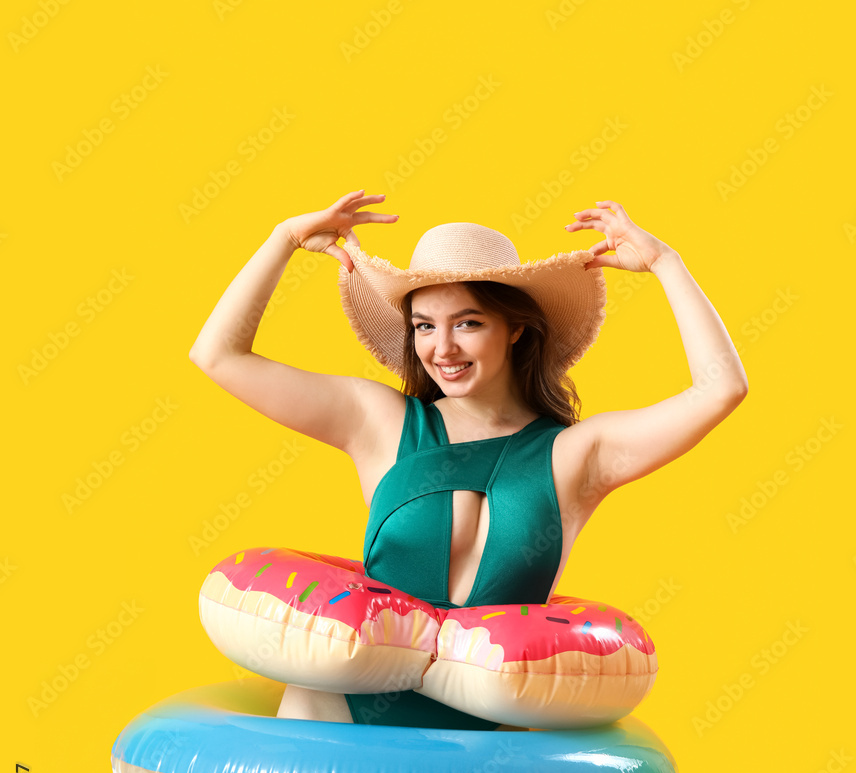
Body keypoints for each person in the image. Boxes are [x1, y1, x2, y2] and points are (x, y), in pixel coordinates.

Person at [189, 188, 748, 729]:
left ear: (515, 329)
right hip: (341, 721)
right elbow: (218, 355)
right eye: (425, 326)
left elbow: (721, 389)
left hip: (488, 749)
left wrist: (667, 264)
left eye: (469, 322)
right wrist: (283, 239)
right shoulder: (379, 422)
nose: (443, 348)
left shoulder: (576, 455)